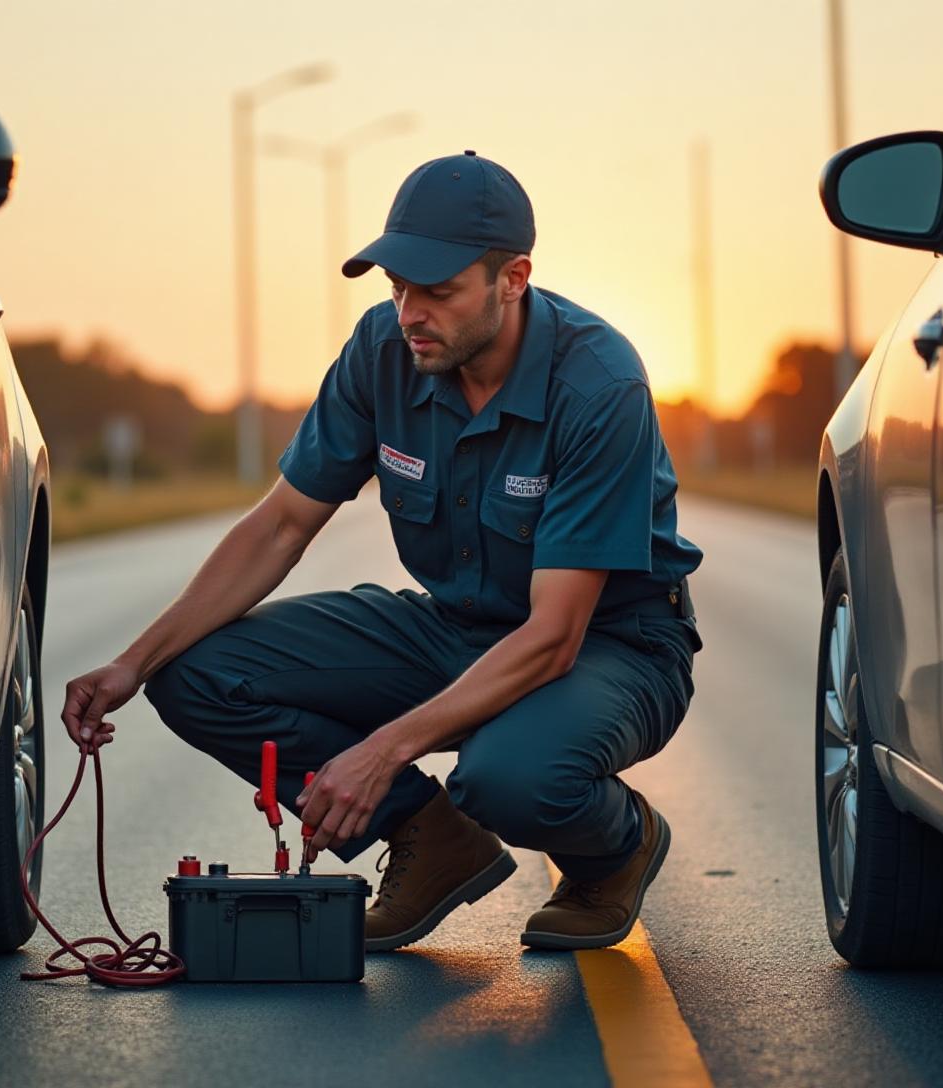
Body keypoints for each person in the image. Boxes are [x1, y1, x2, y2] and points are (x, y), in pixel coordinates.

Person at [61, 151, 702, 951]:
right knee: (191, 674)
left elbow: (554, 637)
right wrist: (132, 660)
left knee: (506, 779)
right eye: (398, 287)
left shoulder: (599, 385)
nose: (410, 312)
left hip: (609, 646)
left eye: (438, 291)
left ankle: (615, 848)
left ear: (513, 279)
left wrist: (382, 750)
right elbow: (282, 525)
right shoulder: (382, 350)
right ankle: (431, 839)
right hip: (455, 627)